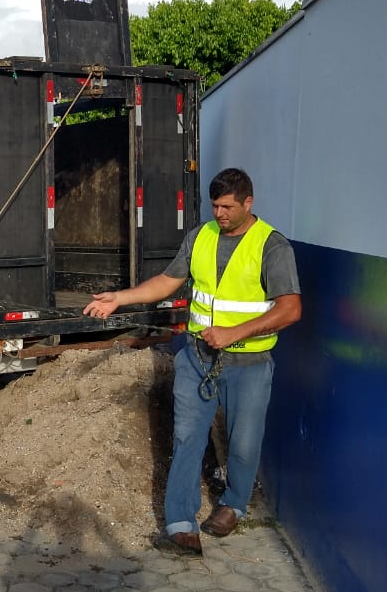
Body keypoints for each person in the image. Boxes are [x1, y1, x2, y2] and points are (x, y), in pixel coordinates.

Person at [84, 168, 301, 557]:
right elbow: (168, 281)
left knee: (244, 444)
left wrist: (235, 333)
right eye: (215, 205)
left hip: (249, 364)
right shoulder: (200, 236)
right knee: (187, 436)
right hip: (197, 357)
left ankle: (234, 503)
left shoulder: (272, 246)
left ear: (248, 203)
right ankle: (181, 524)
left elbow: (290, 309)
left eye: (228, 207)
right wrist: (120, 297)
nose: (219, 213)